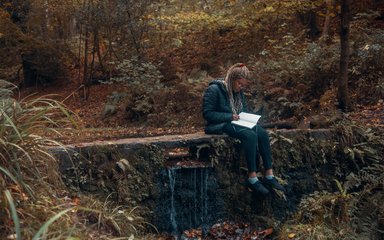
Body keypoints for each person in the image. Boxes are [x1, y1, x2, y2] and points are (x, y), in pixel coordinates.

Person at [202, 63, 285, 195]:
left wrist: (247, 118)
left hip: (237, 122)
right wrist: (229, 116)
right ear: (232, 80)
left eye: (243, 85)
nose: (241, 88)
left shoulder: (238, 92)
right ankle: (252, 177)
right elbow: (208, 114)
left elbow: (243, 110)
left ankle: (269, 174)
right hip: (221, 124)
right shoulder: (214, 90)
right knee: (250, 136)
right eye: (240, 84)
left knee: (262, 132)